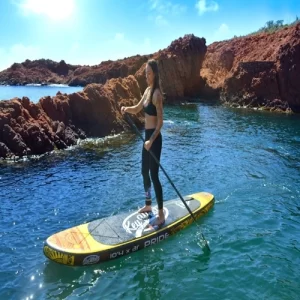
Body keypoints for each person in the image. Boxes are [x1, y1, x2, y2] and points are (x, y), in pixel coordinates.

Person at [121, 59, 164, 226]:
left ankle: (160, 215)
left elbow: (160, 122)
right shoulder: (147, 91)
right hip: (146, 138)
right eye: (145, 72)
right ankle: (148, 204)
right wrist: (126, 109)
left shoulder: (157, 94)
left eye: (149, 73)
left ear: (155, 74)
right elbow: (138, 108)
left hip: (154, 138)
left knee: (154, 175)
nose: (146, 75)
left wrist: (151, 140)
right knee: (144, 172)